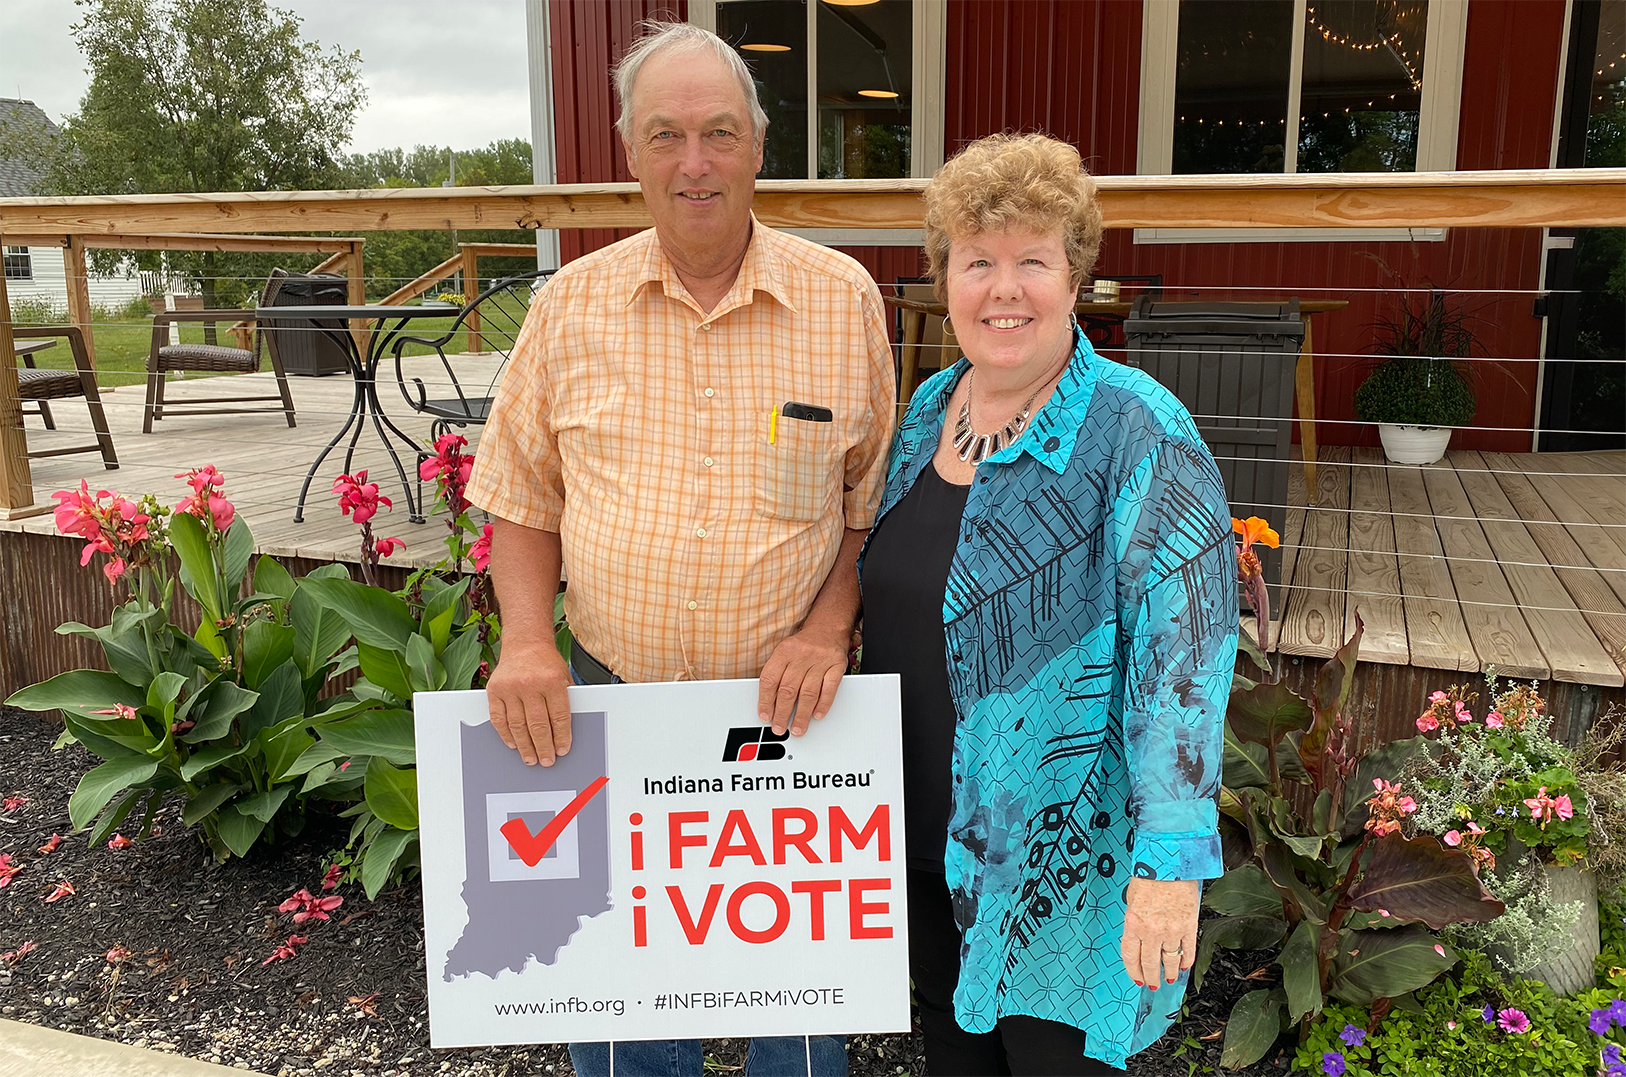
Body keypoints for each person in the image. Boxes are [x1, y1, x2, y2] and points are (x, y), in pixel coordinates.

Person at [464, 20, 895, 1077]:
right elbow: (521, 494)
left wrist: (829, 626)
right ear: (630, 151)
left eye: (718, 133)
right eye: (665, 135)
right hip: (610, 706)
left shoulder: (842, 301)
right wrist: (527, 642)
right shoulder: (569, 306)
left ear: (759, 145)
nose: (693, 162)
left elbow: (867, 506)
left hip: (790, 724)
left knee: (799, 1014)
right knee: (621, 1004)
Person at [857, 132, 1236, 1074]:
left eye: (1033, 260)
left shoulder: (1136, 428)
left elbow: (1185, 662)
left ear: (1075, 278)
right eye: (977, 262)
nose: (1005, 289)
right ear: (946, 280)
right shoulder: (929, 410)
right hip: (924, 842)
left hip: (1063, 876)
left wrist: (1170, 867)